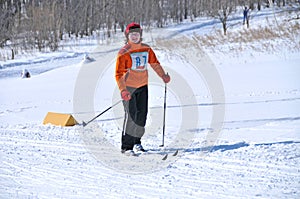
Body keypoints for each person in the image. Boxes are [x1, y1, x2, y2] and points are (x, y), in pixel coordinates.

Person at [115, 22, 171, 155]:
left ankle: (137, 141)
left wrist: (163, 75)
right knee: (132, 116)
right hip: (129, 88)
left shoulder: (146, 49)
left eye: (137, 34)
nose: (134, 37)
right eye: (132, 34)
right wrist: (123, 90)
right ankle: (126, 147)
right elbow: (118, 74)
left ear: (140, 35)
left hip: (142, 86)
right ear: (127, 36)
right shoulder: (124, 52)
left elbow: (154, 64)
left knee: (141, 116)